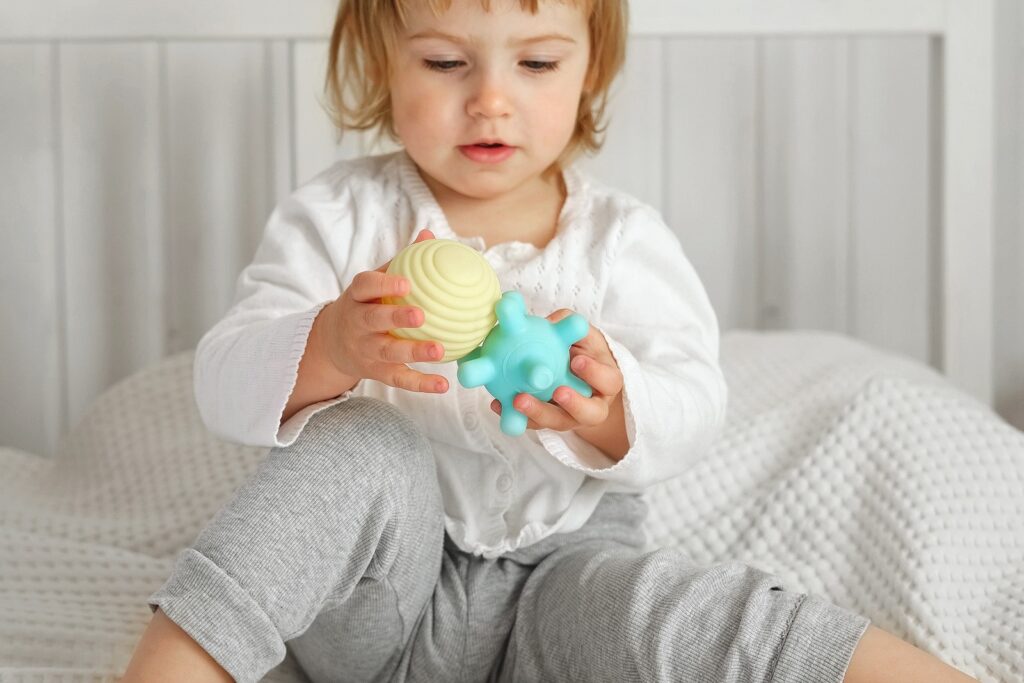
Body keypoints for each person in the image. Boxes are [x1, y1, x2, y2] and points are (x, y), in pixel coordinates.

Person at [121, 0, 979, 681]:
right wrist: (331, 346)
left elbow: (696, 396)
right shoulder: (342, 219)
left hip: (564, 587)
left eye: (535, 62)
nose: (491, 98)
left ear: (588, 68)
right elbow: (223, 380)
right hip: (379, 612)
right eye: (445, 62)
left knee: (677, 610)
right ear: (381, 64)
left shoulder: (621, 241)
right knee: (357, 446)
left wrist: (611, 408)